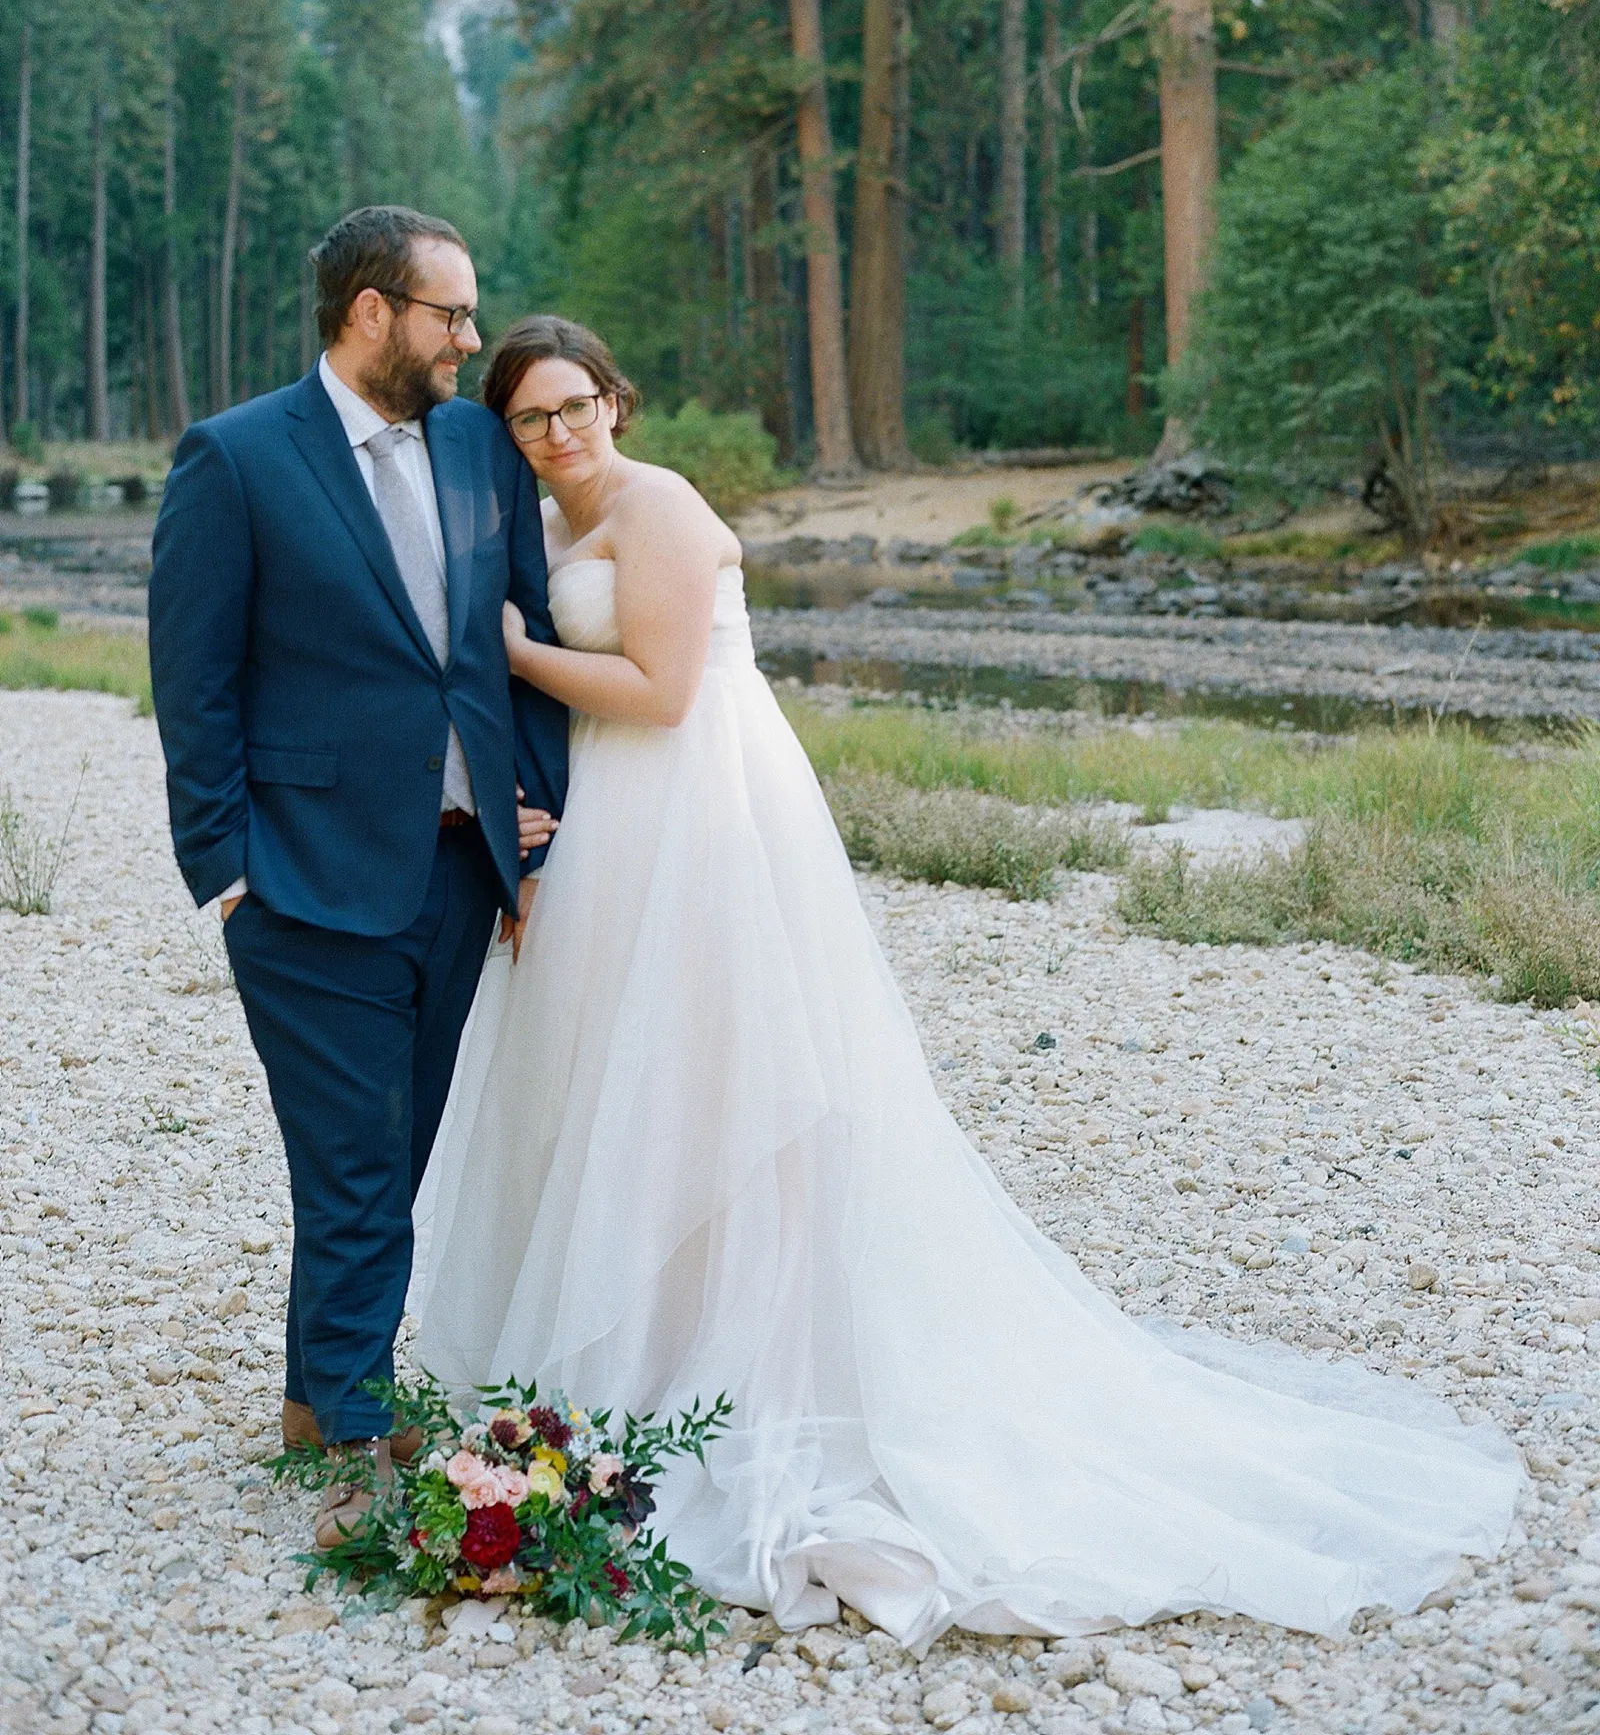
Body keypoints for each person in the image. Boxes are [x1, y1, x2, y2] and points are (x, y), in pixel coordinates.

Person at [414, 313, 1521, 1651]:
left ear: (617, 399)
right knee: (620, 1083)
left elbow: (655, 691)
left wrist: (515, 647)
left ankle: (749, 1359)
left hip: (699, 812)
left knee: (728, 1068)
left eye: (575, 404)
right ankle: (638, 1349)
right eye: (530, 416)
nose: (558, 432)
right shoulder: (542, 515)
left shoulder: (662, 507)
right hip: (610, 827)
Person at [148, 206, 567, 1550]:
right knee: (352, 1164)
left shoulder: (474, 449)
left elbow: (519, 638)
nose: (469, 341)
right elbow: (195, 684)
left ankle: (304, 1397)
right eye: (451, 315)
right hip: (304, 882)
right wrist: (225, 871)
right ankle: (351, 1426)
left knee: (397, 1153)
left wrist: (532, 813)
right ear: (371, 311)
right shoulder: (237, 459)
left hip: (456, 876)